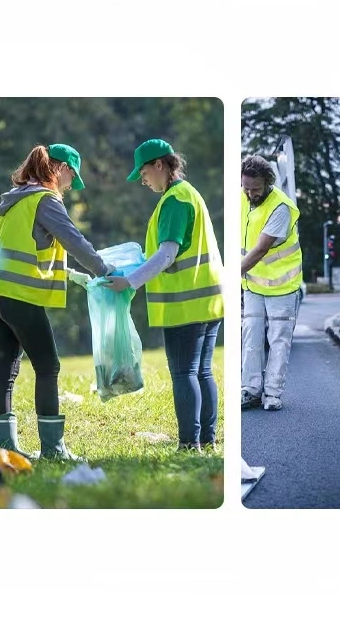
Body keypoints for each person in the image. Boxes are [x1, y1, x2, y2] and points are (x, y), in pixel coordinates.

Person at [0, 143, 112, 461]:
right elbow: (73, 239)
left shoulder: (13, 201)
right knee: (48, 366)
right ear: (61, 169)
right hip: (19, 296)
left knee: (5, 370)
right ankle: (53, 450)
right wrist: (103, 270)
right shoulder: (45, 200)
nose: (70, 185)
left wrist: (73, 275)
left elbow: (28, 250)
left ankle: (6, 448)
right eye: (72, 177)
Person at [103, 139, 224, 452]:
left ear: (160, 165)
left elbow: (167, 254)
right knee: (202, 371)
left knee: (185, 373)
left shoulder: (174, 200)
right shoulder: (190, 194)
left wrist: (129, 281)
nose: (143, 181)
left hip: (184, 306)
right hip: (208, 300)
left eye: (143, 173)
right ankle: (206, 441)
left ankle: (189, 444)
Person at [240, 154, 303, 411]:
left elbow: (260, 249)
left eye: (255, 189)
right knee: (251, 339)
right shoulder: (242, 197)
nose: (251, 194)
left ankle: (273, 394)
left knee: (278, 341)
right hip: (254, 284)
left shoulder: (281, 208)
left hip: (282, 287)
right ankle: (250, 390)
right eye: (246, 188)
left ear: (268, 182)